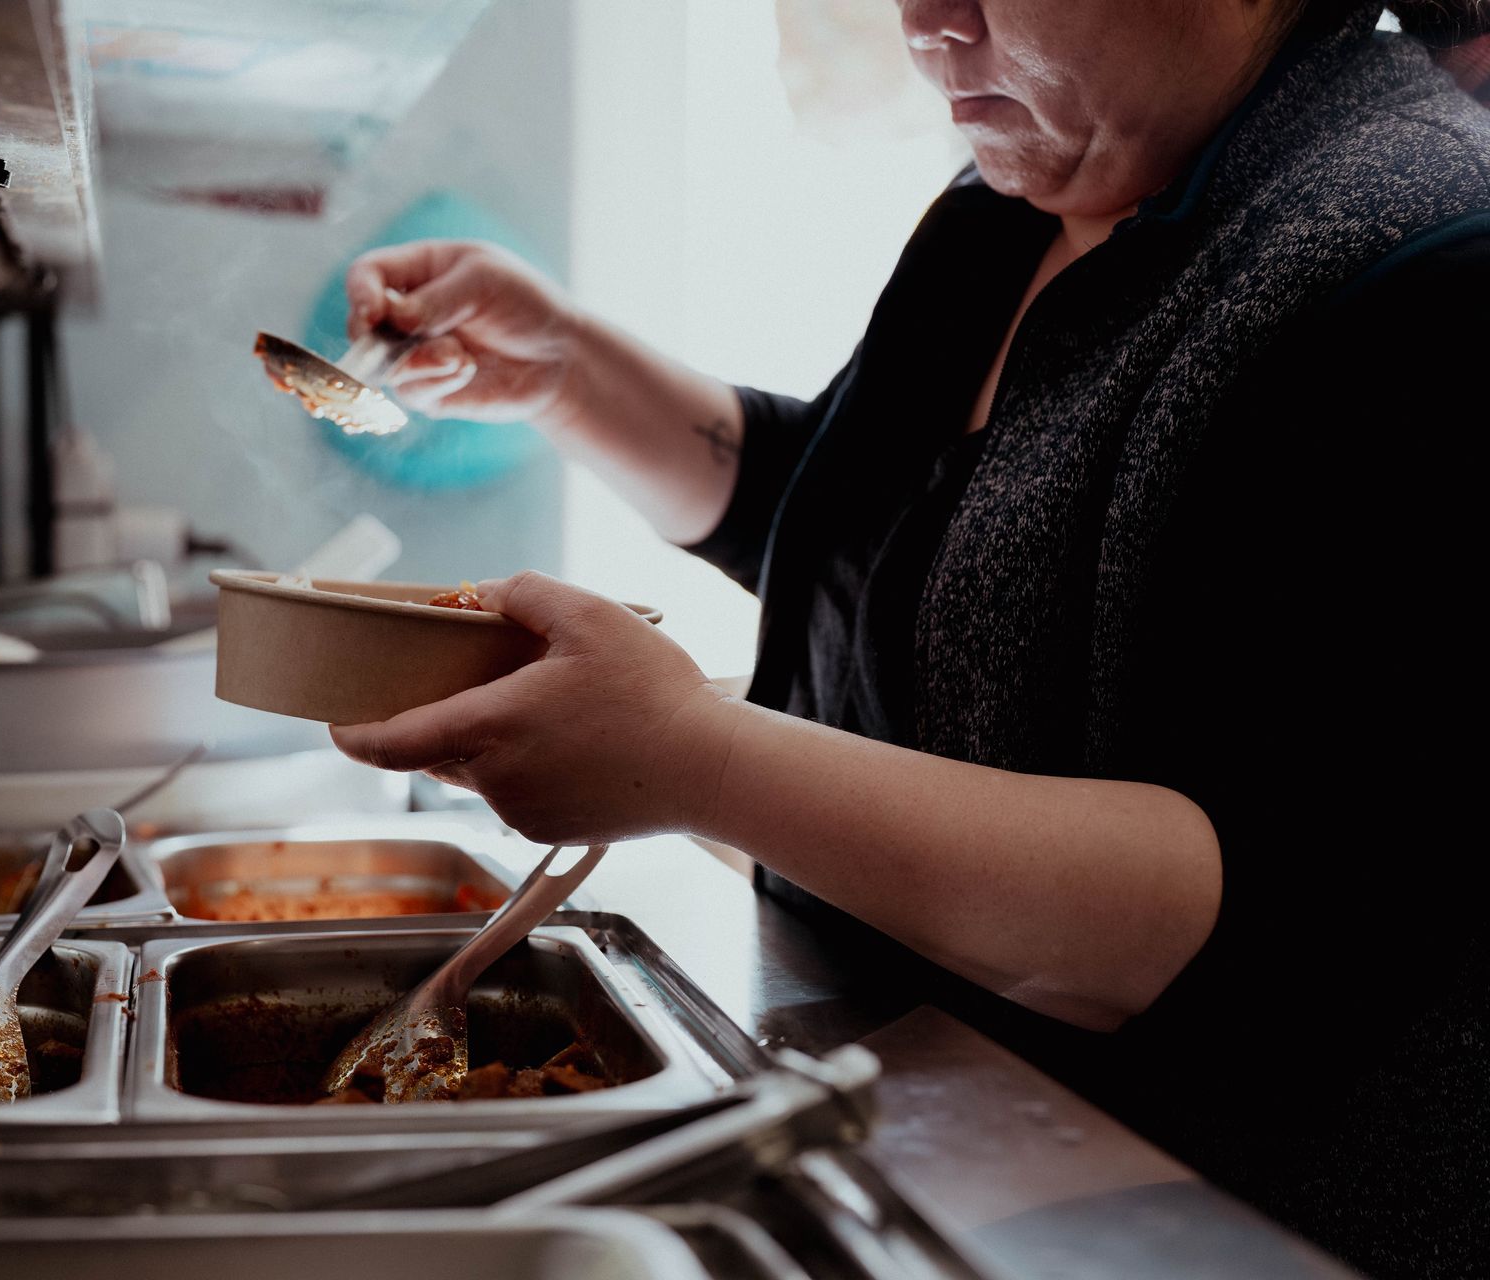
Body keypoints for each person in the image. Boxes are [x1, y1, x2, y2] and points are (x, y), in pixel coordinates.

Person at [329, 1, 1490, 1273]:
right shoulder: (1006, 208)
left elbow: (1285, 922)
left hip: (1201, 1223)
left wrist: (695, 760)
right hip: (938, 1144)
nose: (928, 20)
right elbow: (882, 548)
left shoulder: (1427, 259)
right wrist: (563, 367)